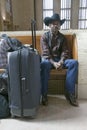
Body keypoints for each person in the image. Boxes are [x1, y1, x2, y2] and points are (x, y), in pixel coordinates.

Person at [40, 13, 78, 107]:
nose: (56, 25)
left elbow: (65, 52)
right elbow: (45, 54)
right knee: (44, 64)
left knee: (74, 63)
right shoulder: (44, 37)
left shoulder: (63, 38)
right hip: (49, 61)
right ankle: (43, 94)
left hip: (60, 60)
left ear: (60, 25)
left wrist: (61, 62)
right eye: (53, 23)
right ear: (49, 25)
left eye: (58, 24)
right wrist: (54, 63)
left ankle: (69, 93)